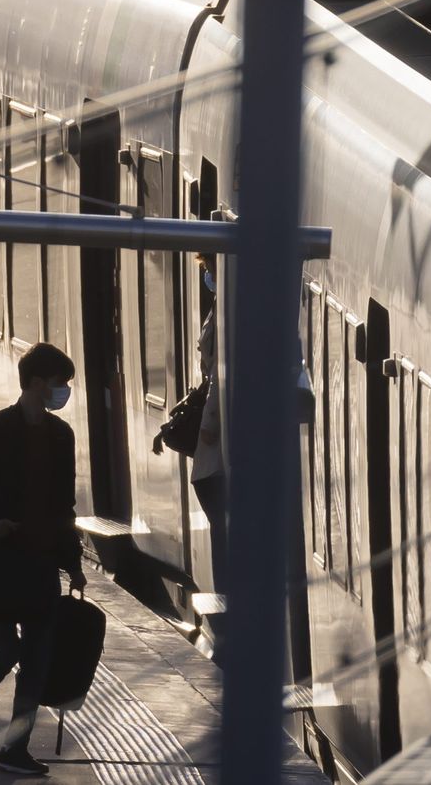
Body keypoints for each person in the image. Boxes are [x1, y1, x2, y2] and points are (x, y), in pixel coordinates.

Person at [0, 343, 86, 777]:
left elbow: (64, 506)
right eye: (60, 383)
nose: (63, 391)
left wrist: (74, 561)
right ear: (38, 383)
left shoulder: (61, 436)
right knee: (8, 649)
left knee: (37, 661)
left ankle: (14, 749)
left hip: (40, 562)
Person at [190, 254, 229, 601]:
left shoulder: (228, 305)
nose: (208, 275)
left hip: (218, 439)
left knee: (222, 520)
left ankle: (226, 594)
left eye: (208, 269)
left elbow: (220, 372)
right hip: (216, 437)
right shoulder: (222, 301)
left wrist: (209, 422)